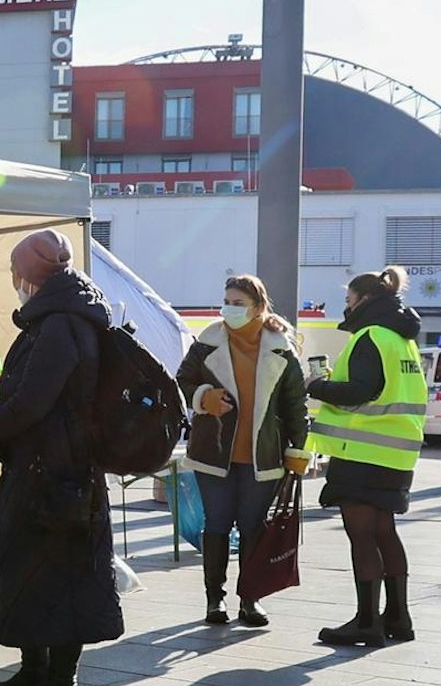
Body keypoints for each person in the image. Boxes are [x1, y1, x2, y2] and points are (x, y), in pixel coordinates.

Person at [0, 228, 123, 686]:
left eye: (15, 273)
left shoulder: (60, 324)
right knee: (31, 574)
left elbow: (32, 400)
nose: (13, 281)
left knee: (59, 578)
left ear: (29, 276)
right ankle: (34, 669)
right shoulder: (64, 317)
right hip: (51, 467)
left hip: (58, 474)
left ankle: (61, 684)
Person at [175, 274, 312, 628]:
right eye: (226, 302)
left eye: (238, 304)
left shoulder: (281, 347)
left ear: (258, 307)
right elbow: (182, 380)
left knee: (253, 527)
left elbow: (296, 404)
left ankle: (250, 599)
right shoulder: (207, 341)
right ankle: (214, 599)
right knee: (217, 525)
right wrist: (204, 397)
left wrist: (298, 451)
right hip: (213, 452)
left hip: (262, 457)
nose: (229, 309)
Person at [308, 266, 426, 648]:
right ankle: (399, 617)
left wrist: (317, 386)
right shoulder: (403, 340)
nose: (346, 307)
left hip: (363, 452)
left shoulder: (370, 335)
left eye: (348, 300)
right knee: (384, 531)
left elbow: (360, 391)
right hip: (397, 453)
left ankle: (366, 622)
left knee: (361, 535)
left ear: (365, 299)